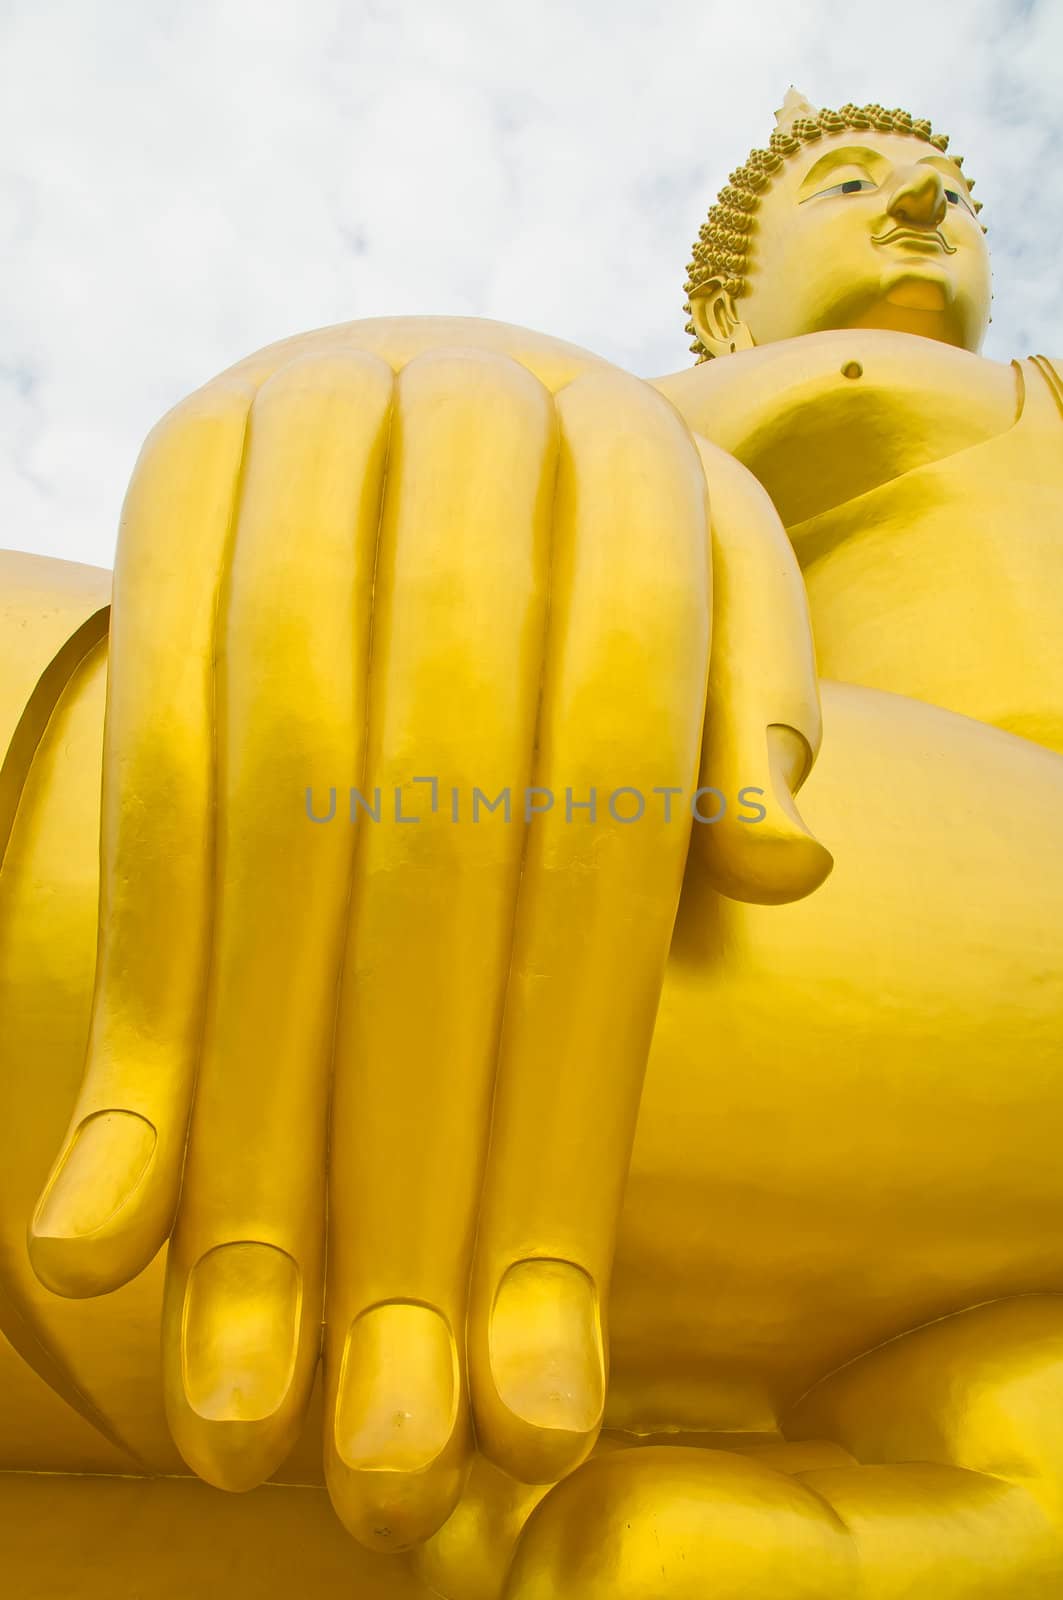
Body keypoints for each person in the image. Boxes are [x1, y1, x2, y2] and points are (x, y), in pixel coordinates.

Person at [1, 91, 1061, 1598]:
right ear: (720, 299)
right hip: (820, 892)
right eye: (851, 181)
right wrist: (445, 395)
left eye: (957, 192)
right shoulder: (750, 400)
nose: (924, 212)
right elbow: (473, 461)